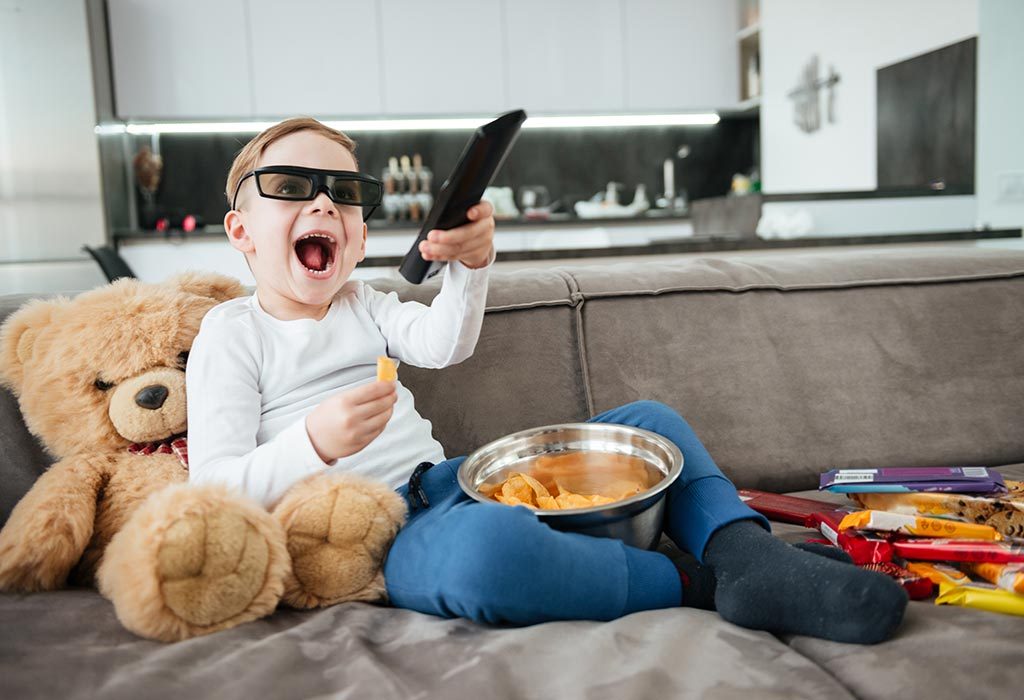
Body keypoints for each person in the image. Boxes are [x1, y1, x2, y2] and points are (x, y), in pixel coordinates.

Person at [187, 117, 907, 645]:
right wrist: (315, 442)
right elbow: (212, 490)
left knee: (649, 424)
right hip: (384, 538)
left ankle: (747, 557)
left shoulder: (365, 303)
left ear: (362, 235)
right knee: (484, 558)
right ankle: (697, 584)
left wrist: (470, 265)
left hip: (446, 484)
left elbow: (443, 343)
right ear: (241, 232)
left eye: (344, 193)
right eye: (289, 188)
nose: (322, 205)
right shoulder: (231, 333)